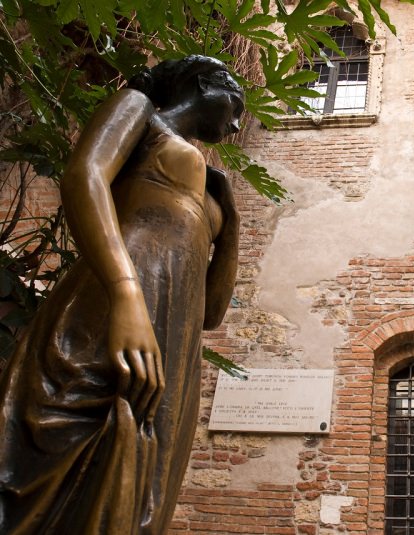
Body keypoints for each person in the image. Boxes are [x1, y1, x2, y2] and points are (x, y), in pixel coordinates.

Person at [0, 55, 243, 534]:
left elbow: (212, 314)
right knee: (76, 423)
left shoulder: (217, 195)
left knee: (143, 478)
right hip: (117, 295)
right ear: (202, 82)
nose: (237, 123)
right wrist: (125, 292)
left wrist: (230, 224)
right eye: (235, 103)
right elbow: (83, 176)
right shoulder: (141, 112)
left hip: (174, 333)